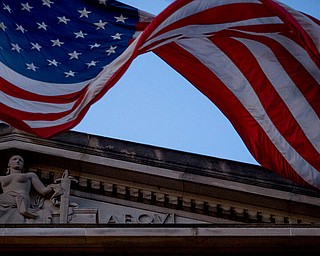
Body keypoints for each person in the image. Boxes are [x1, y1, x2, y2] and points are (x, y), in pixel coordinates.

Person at [0, 155, 55, 219]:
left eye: (20, 161)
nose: (17, 161)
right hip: (7, 198)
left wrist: (54, 186)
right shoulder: (1, 178)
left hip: (22, 198)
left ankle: (24, 210)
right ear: (9, 164)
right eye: (14, 159)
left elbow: (44, 191)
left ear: (23, 165)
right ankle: (23, 211)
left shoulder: (30, 175)